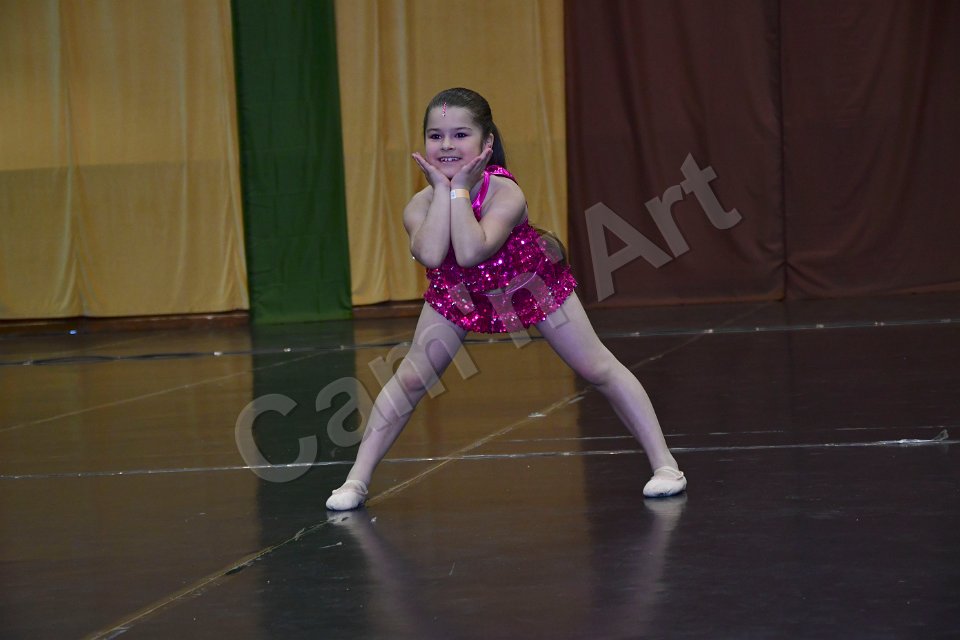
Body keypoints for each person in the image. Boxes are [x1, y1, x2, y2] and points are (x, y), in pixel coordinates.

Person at [326, 88, 686, 510]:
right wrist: (444, 191)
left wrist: (459, 190)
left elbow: (472, 250)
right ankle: (356, 481)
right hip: (458, 296)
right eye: (435, 136)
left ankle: (666, 465)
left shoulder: (505, 193)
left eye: (460, 135)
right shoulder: (419, 205)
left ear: (487, 142)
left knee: (597, 367)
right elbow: (431, 254)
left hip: (530, 287)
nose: (446, 145)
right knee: (409, 379)